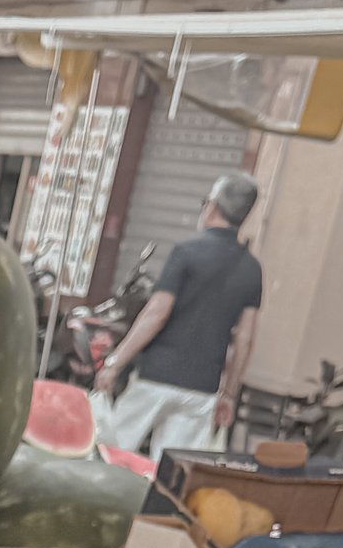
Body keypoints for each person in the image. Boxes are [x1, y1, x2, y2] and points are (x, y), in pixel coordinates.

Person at [94, 172, 265, 459]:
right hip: (202, 389)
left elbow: (156, 314)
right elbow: (245, 340)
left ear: (211, 207)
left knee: (111, 456)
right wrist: (229, 394)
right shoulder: (252, 269)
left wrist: (114, 362)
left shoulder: (186, 253)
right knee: (168, 474)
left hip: (156, 377)